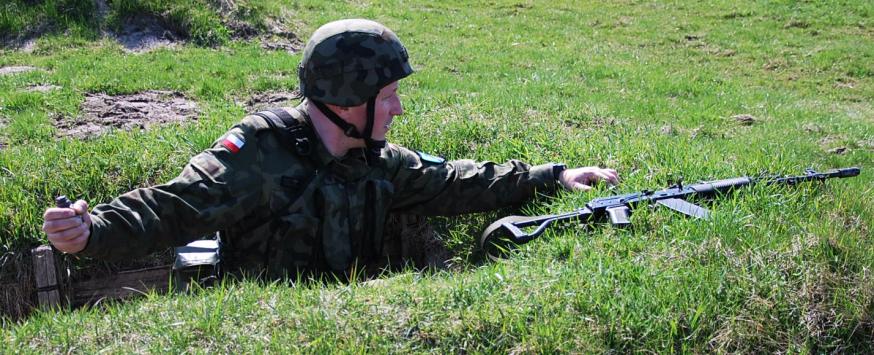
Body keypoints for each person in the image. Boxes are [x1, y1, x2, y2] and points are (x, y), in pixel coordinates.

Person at [42, 19, 619, 279]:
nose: (397, 110)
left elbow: (456, 181)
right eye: (387, 96)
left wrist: (554, 177)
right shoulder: (259, 152)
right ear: (348, 99)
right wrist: (90, 231)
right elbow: (175, 207)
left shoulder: (373, 158)